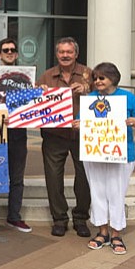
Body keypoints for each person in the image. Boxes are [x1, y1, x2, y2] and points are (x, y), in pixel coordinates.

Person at [76, 62, 135, 255]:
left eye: (102, 78)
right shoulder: (89, 98)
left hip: (121, 154)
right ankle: (102, 232)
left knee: (116, 193)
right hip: (95, 152)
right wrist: (79, 124)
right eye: (95, 78)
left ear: (113, 79)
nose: (97, 81)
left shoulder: (128, 98)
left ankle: (116, 233)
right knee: (97, 192)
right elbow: (83, 121)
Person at [38, 37, 93, 237]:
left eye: (69, 52)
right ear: (57, 54)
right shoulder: (47, 76)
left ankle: (81, 218)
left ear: (76, 54)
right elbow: (34, 103)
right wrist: (39, 92)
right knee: (53, 178)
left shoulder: (89, 74)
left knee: (85, 177)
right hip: (54, 134)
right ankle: (59, 219)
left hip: (83, 133)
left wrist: (89, 90)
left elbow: (106, 94)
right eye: (61, 52)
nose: (65, 55)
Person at [0, 38, 32, 234]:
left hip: (19, 132)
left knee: (17, 177)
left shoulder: (26, 76)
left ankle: (14, 216)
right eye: (5, 50)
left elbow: (33, 105)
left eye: (12, 50)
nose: (9, 52)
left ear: (16, 54)